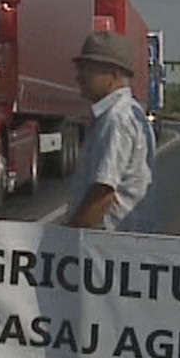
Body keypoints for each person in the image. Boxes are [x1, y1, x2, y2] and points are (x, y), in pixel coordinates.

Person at [65, 31, 156, 231]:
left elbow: (103, 193)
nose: (79, 77)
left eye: (88, 69)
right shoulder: (126, 113)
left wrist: (65, 240)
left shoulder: (116, 118)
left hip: (111, 243)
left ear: (114, 74)